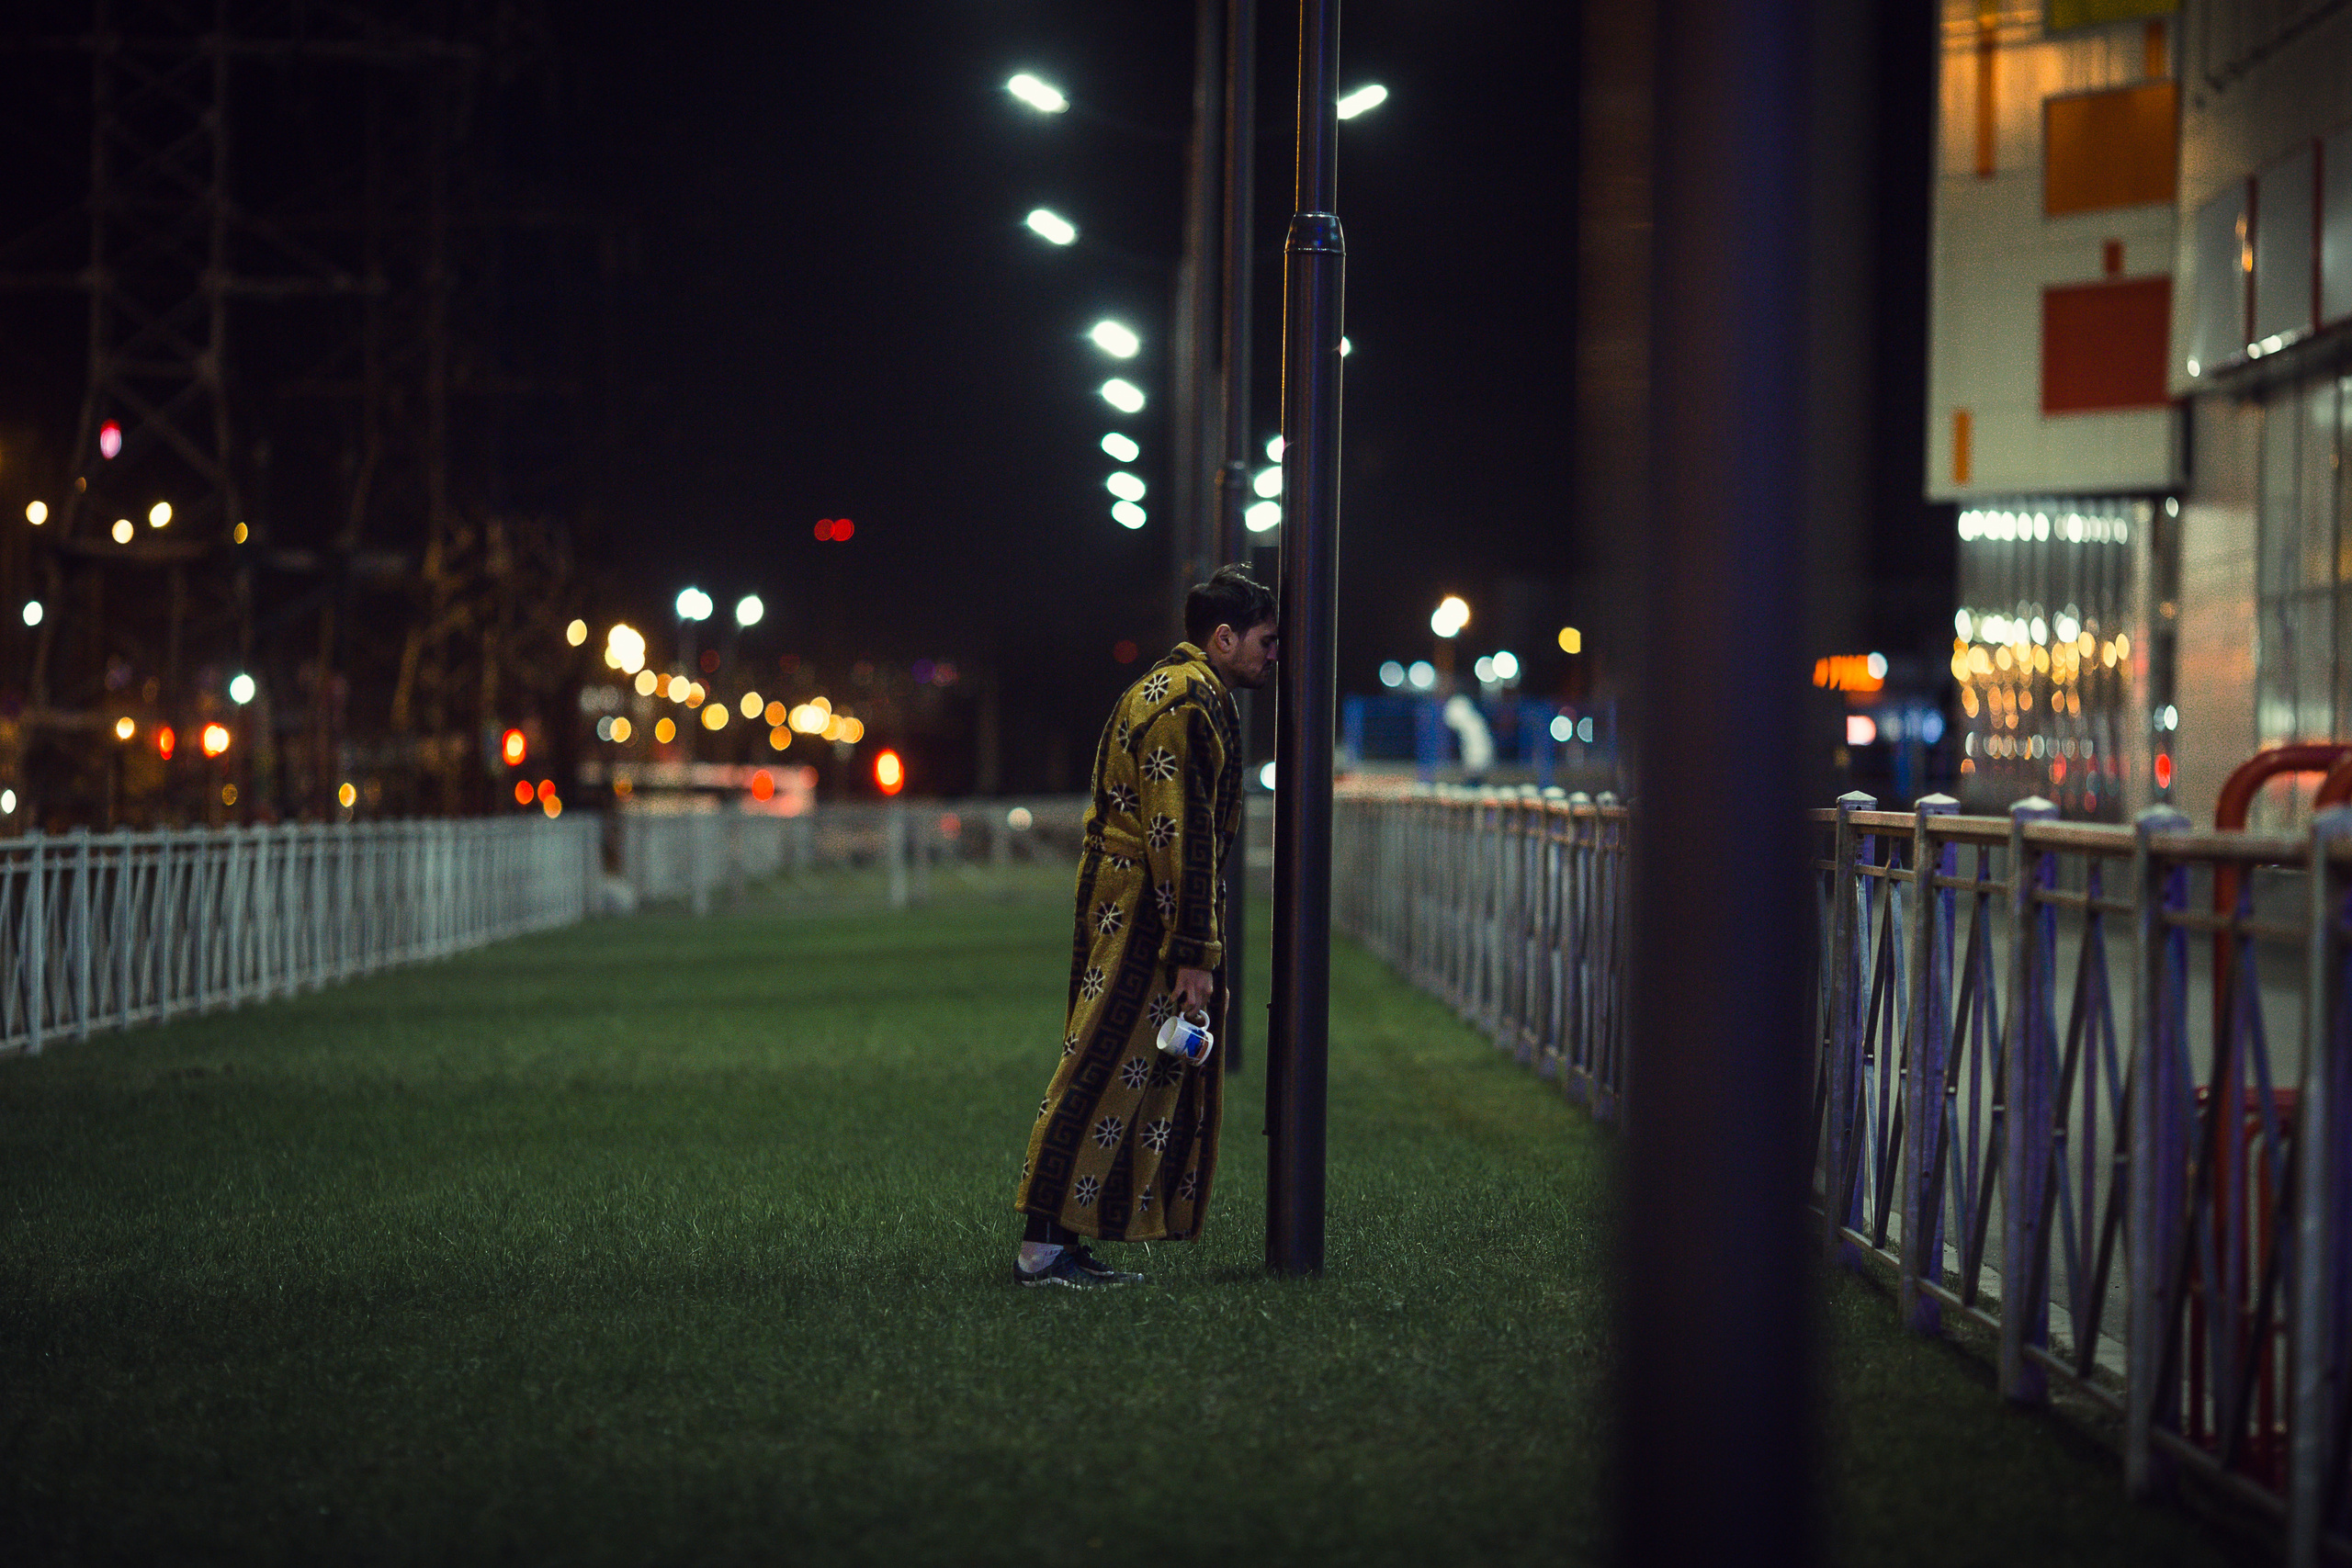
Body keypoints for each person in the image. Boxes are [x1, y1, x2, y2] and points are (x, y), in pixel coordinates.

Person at [1012, 565, 1277, 1287]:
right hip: (1143, 907)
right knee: (1102, 1062)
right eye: (1265, 639)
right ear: (1223, 638)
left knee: (1119, 1064)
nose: (1272, 654)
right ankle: (1043, 1249)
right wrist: (1194, 951)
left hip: (1127, 896)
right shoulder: (1189, 701)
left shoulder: (1176, 687)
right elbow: (1180, 833)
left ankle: (1058, 1240)